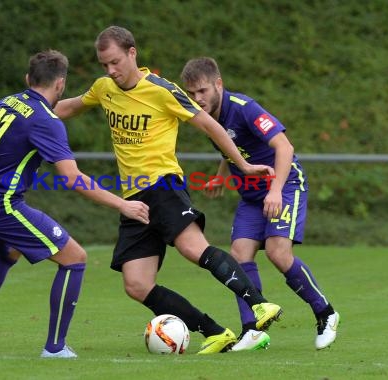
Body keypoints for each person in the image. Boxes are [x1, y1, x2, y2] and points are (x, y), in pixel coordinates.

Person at [53, 25, 283, 354]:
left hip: (163, 186)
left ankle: (260, 305)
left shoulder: (162, 90)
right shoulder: (104, 88)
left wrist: (242, 166)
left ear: (132, 53)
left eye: (116, 62)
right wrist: (32, 112)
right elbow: (69, 107)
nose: (111, 70)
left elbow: (210, 125)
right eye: (104, 65)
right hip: (132, 199)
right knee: (136, 284)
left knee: (193, 249)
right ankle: (216, 332)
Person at [0, 50, 150, 359]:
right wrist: (122, 205)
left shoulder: (8, 102)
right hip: (1, 204)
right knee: (75, 258)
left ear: (29, 79)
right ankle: (54, 348)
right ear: (60, 84)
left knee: (8, 252)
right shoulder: (46, 120)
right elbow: (71, 177)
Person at [180, 57, 340, 351]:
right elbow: (231, 149)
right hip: (252, 194)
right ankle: (253, 330)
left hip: (286, 184)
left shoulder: (245, 108)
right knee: (239, 254)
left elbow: (284, 147)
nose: (197, 99)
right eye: (191, 94)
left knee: (279, 253)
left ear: (218, 84)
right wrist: (219, 177)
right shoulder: (208, 118)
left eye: (202, 91)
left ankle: (326, 313)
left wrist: (276, 190)